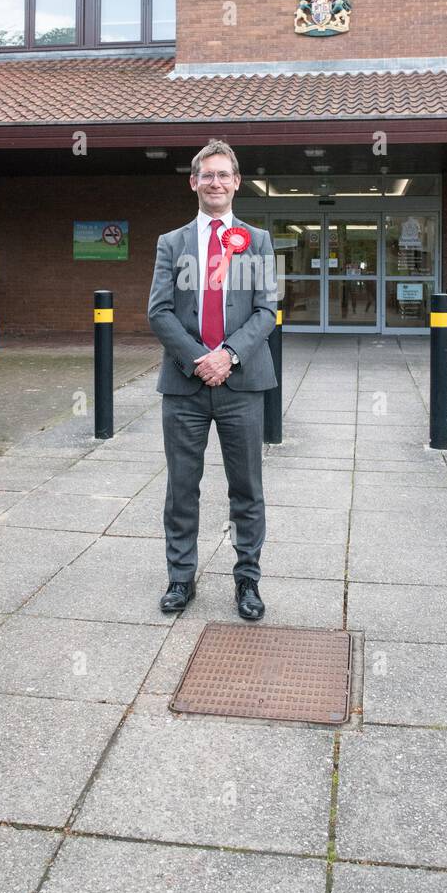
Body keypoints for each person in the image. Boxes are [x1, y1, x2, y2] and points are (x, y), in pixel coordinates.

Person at [147, 139, 278, 620]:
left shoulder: (257, 240)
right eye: (208, 175)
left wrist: (228, 357)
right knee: (182, 488)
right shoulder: (171, 243)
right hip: (184, 387)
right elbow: (158, 312)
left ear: (237, 182)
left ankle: (247, 581)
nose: (216, 182)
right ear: (194, 182)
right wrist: (201, 360)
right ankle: (181, 579)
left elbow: (267, 310)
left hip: (243, 387)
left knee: (247, 488)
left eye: (225, 175)